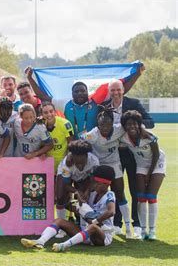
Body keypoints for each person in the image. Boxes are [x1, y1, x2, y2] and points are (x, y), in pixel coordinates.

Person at [101, 79, 155, 237]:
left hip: (132, 153)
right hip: (114, 154)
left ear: (123, 90)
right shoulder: (105, 107)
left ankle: (137, 224)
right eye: (112, 90)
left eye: (118, 90)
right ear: (109, 92)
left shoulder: (134, 103)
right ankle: (117, 223)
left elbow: (150, 122)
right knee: (116, 189)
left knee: (135, 189)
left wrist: (133, 124)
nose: (116, 93)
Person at [21, 165, 116, 251]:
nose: (95, 185)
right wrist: (76, 206)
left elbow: (111, 212)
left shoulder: (109, 195)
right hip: (85, 232)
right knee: (59, 221)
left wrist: (95, 221)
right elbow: (66, 187)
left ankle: (63, 245)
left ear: (106, 184)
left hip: (102, 236)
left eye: (98, 183)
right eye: (94, 183)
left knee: (93, 227)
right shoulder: (91, 194)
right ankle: (40, 241)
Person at [82, 107, 134, 238]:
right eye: (101, 125)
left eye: (107, 124)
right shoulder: (93, 134)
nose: (104, 127)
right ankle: (93, 225)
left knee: (120, 194)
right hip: (98, 167)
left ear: (112, 123)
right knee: (94, 195)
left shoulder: (119, 129)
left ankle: (128, 228)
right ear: (97, 125)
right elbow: (81, 140)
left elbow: (134, 127)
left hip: (114, 164)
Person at [120, 110, 166, 240]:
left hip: (157, 163)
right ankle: (143, 231)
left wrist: (149, 174)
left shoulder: (149, 136)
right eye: (128, 124)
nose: (131, 127)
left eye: (134, 124)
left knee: (151, 196)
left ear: (139, 124)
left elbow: (156, 155)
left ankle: (152, 231)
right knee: (140, 197)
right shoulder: (124, 137)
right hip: (141, 164)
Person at [41, 101, 74, 230]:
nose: (49, 114)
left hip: (63, 164)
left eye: (51, 111)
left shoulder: (65, 124)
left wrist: (67, 163)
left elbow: (70, 144)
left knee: (62, 194)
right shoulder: (40, 125)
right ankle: (53, 221)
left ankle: (65, 222)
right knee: (51, 195)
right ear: (42, 114)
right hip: (47, 165)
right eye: (45, 112)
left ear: (55, 112)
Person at [55, 140, 99, 226]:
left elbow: (94, 180)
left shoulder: (94, 161)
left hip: (84, 177)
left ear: (87, 156)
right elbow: (65, 185)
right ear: (72, 157)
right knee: (60, 196)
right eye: (77, 163)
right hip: (68, 175)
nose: (80, 166)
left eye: (82, 163)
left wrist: (87, 191)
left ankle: (85, 224)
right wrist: (76, 191)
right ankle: (61, 226)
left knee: (85, 197)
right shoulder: (67, 164)